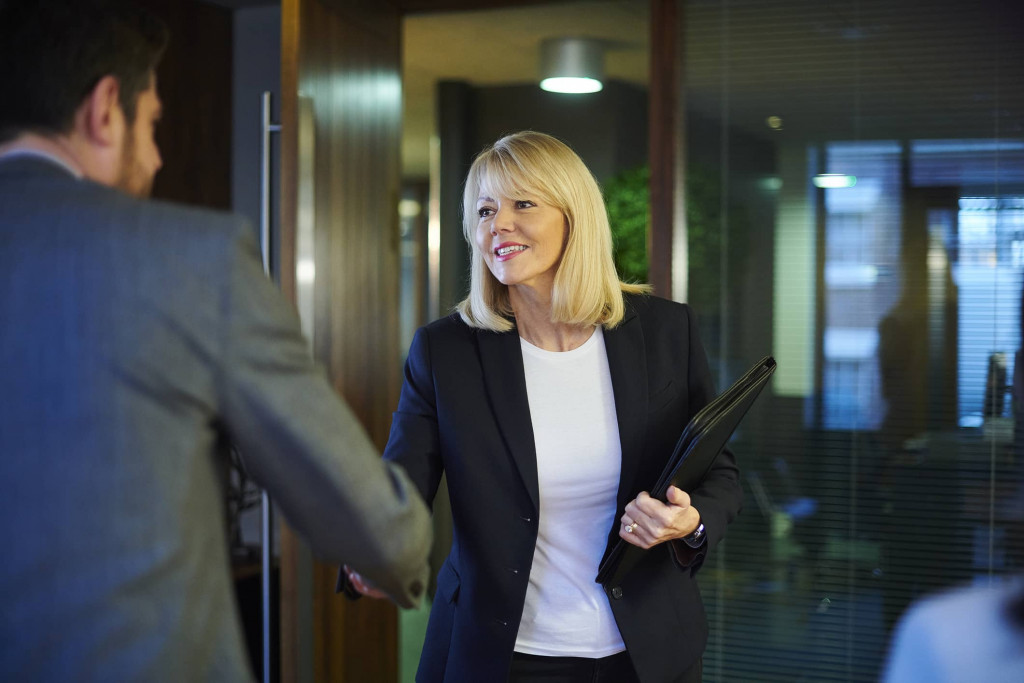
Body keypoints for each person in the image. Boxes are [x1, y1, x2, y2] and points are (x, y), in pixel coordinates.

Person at [0, 1, 430, 680]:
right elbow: (361, 508)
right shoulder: (187, 259)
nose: (158, 156)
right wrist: (398, 555)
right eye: (154, 126)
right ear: (105, 109)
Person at [343, 131, 743, 682]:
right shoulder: (446, 351)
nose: (498, 224)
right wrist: (373, 549)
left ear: (573, 216)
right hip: (503, 656)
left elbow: (716, 471)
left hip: (648, 654)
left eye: (522, 203)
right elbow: (403, 483)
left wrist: (689, 522)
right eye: (484, 210)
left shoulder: (664, 331)